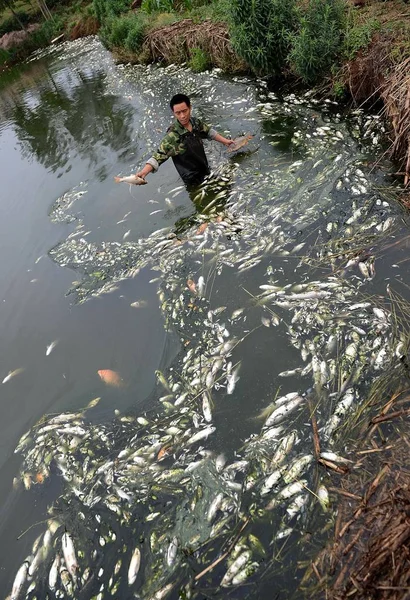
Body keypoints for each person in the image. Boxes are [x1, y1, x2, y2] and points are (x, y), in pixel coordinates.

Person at [136, 93, 234, 187]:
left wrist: (225, 141)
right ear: (173, 113)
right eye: (178, 113)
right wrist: (144, 172)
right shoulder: (172, 135)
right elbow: (158, 156)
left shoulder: (195, 122)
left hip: (204, 167)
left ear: (190, 108)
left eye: (185, 111)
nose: (182, 116)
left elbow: (208, 132)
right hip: (191, 178)